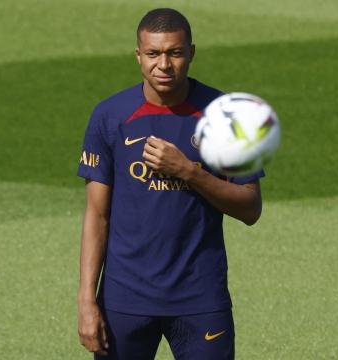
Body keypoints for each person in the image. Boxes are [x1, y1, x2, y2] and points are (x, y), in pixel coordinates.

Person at [76, 8, 263, 360]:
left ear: (191, 53)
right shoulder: (109, 116)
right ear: (138, 55)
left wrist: (189, 171)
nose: (164, 64)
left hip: (200, 299)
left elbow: (251, 208)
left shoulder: (226, 117)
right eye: (153, 54)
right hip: (124, 300)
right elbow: (96, 216)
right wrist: (87, 300)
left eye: (175, 53)